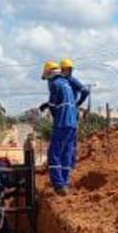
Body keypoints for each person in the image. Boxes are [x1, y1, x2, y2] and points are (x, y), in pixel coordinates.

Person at [41, 60, 77, 195]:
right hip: (72, 123)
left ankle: (58, 184)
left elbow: (53, 105)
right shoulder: (67, 84)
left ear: (49, 73)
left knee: (54, 153)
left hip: (62, 122)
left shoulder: (55, 84)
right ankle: (65, 182)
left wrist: (52, 113)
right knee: (66, 153)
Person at [60, 58, 88, 170]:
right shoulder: (63, 82)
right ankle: (65, 163)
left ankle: (70, 164)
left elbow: (85, 91)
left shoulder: (71, 80)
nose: (65, 71)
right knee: (64, 139)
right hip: (65, 113)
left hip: (70, 114)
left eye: (66, 69)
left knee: (70, 139)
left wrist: (77, 104)